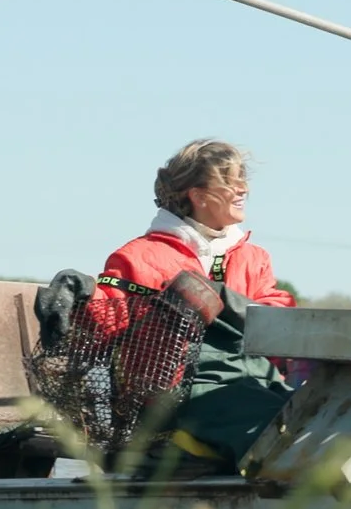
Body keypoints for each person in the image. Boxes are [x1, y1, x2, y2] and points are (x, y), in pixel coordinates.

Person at [90, 139, 297, 475]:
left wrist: (246, 307)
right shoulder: (137, 257)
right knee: (266, 422)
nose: (243, 189)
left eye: (243, 179)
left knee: (304, 413)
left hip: (251, 383)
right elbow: (107, 325)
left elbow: (277, 312)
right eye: (230, 182)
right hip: (176, 396)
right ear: (198, 196)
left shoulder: (254, 257)